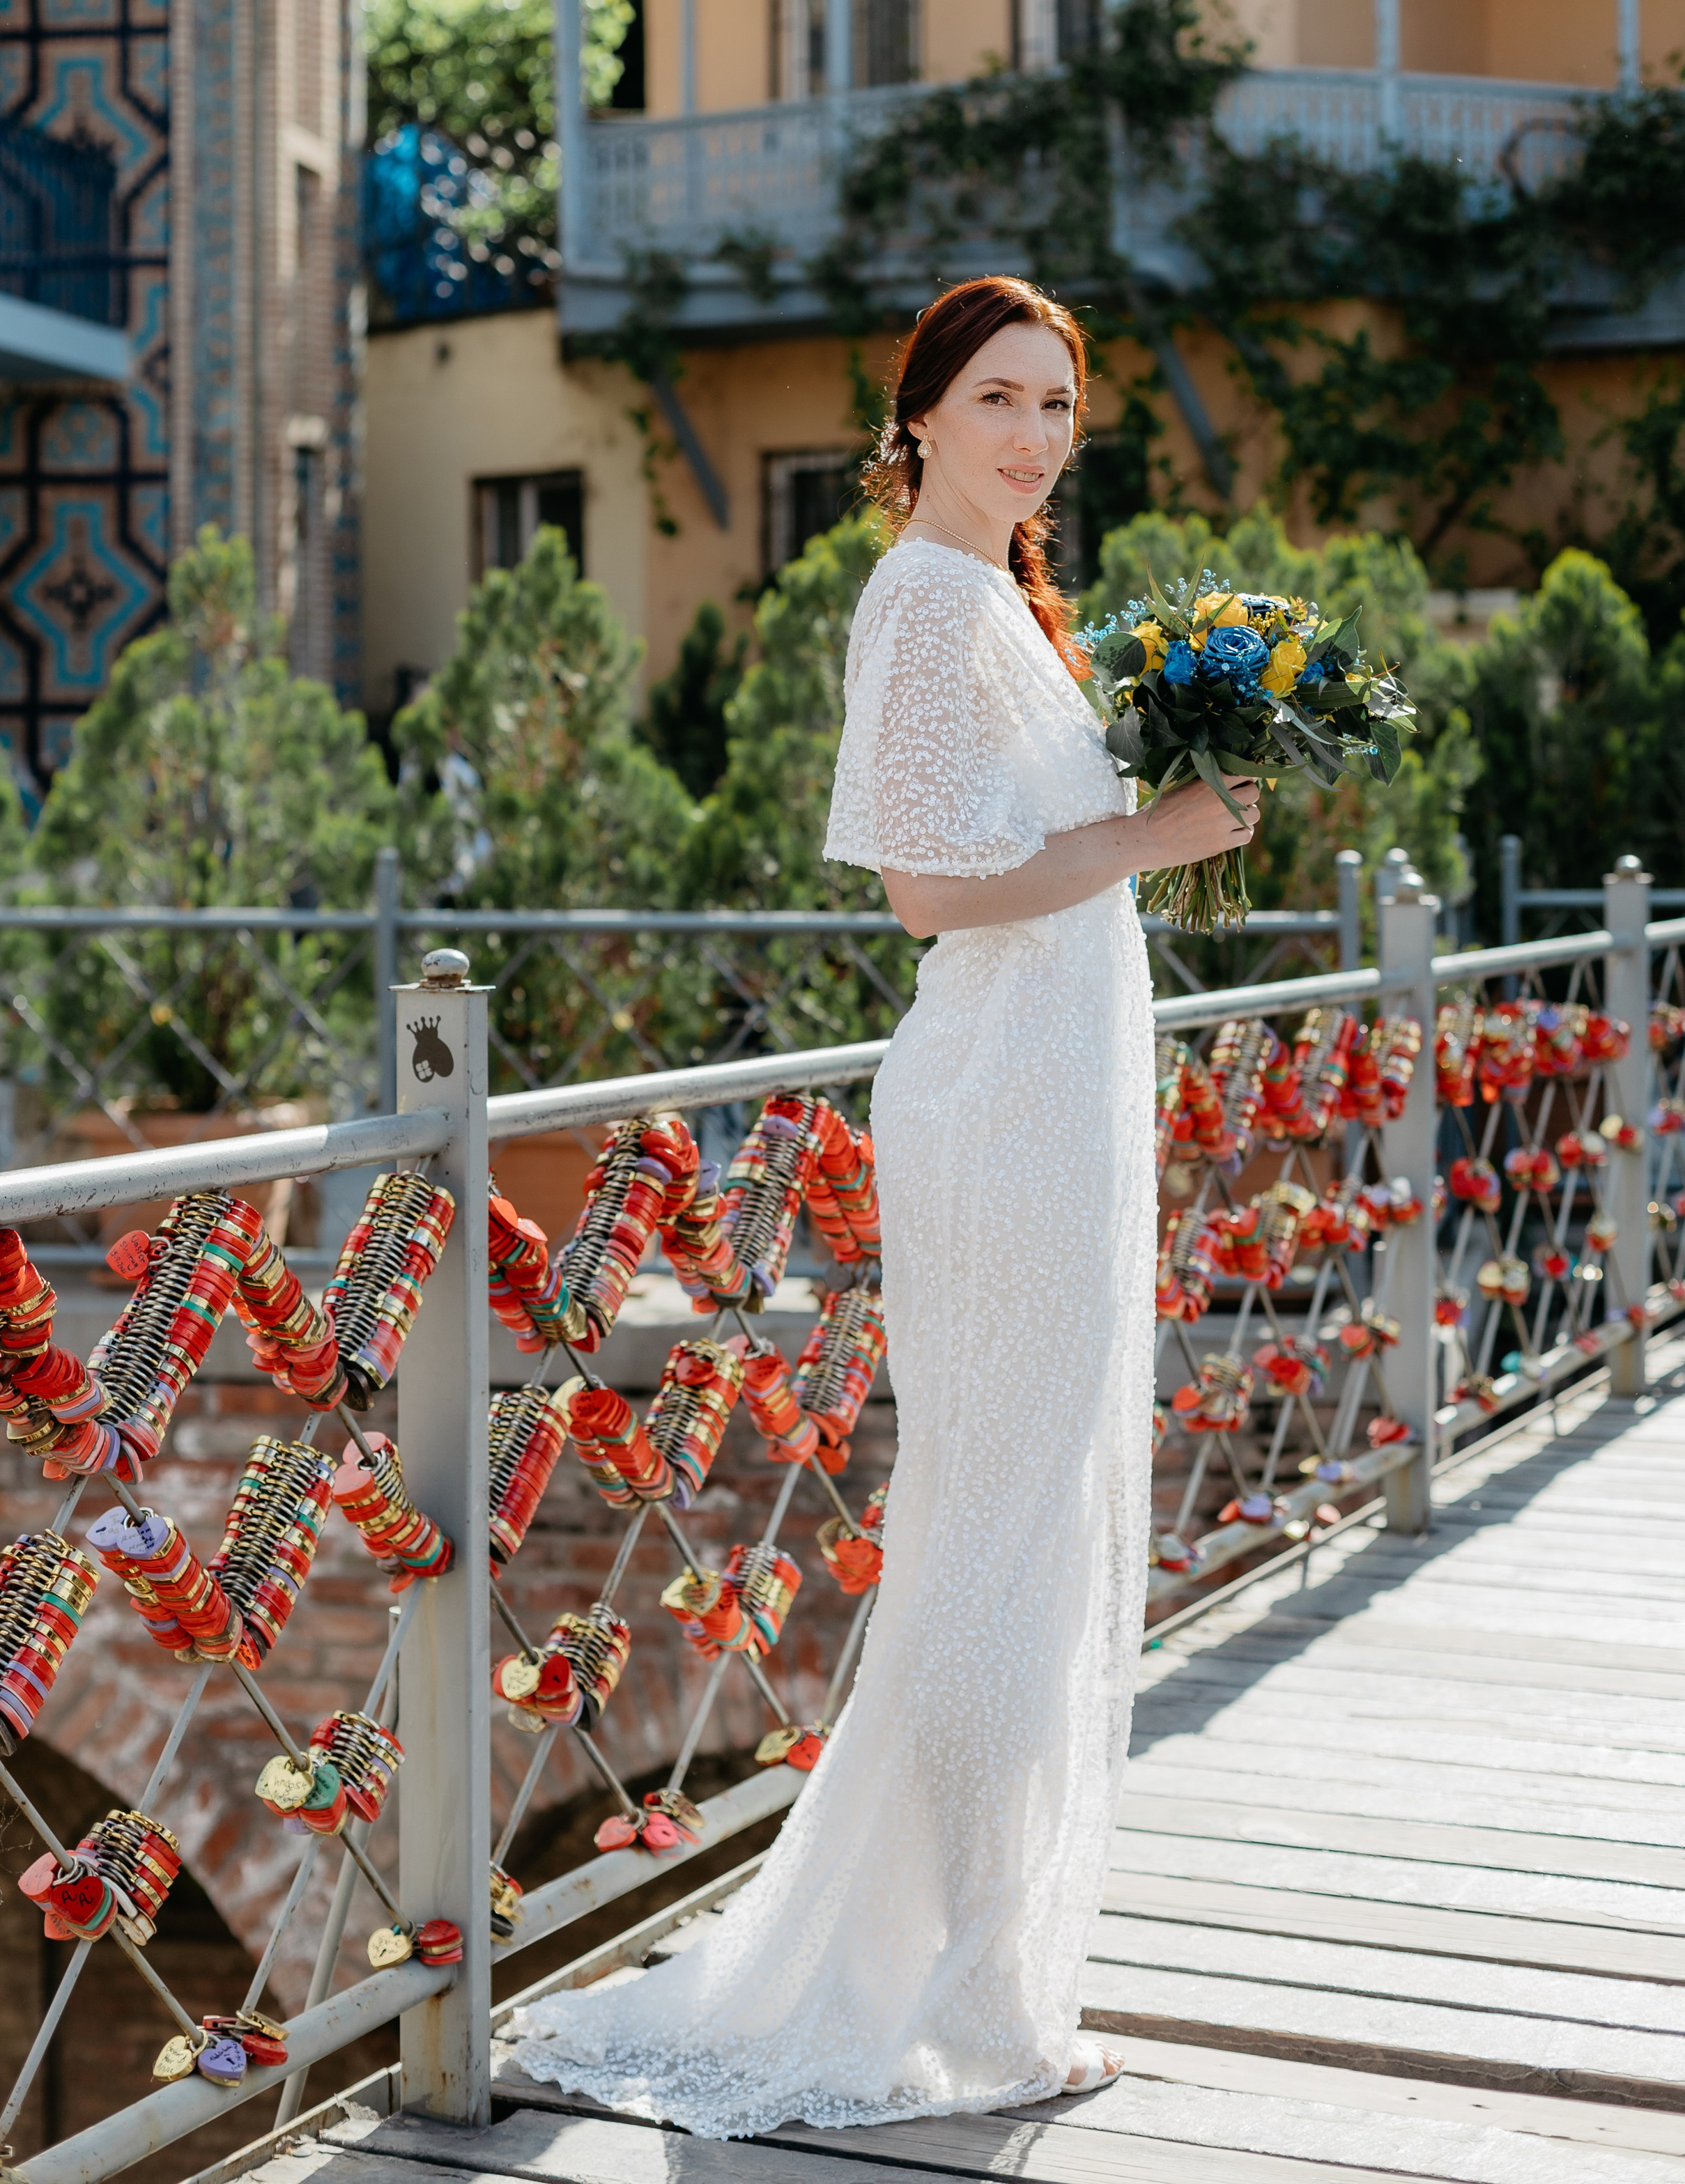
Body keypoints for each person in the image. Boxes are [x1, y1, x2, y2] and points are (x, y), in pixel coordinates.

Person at [509, 274, 1261, 2139]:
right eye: (997, 398)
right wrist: (1165, 838)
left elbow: (1024, 848)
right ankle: (967, 1995)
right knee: (998, 1536)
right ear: (917, 415)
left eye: (1057, 409)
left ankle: (974, 1965)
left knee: (1013, 1529)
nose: (1031, 436)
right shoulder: (928, 602)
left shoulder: (999, 600)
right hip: (999, 1109)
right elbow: (934, 887)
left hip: (1054, 1102)